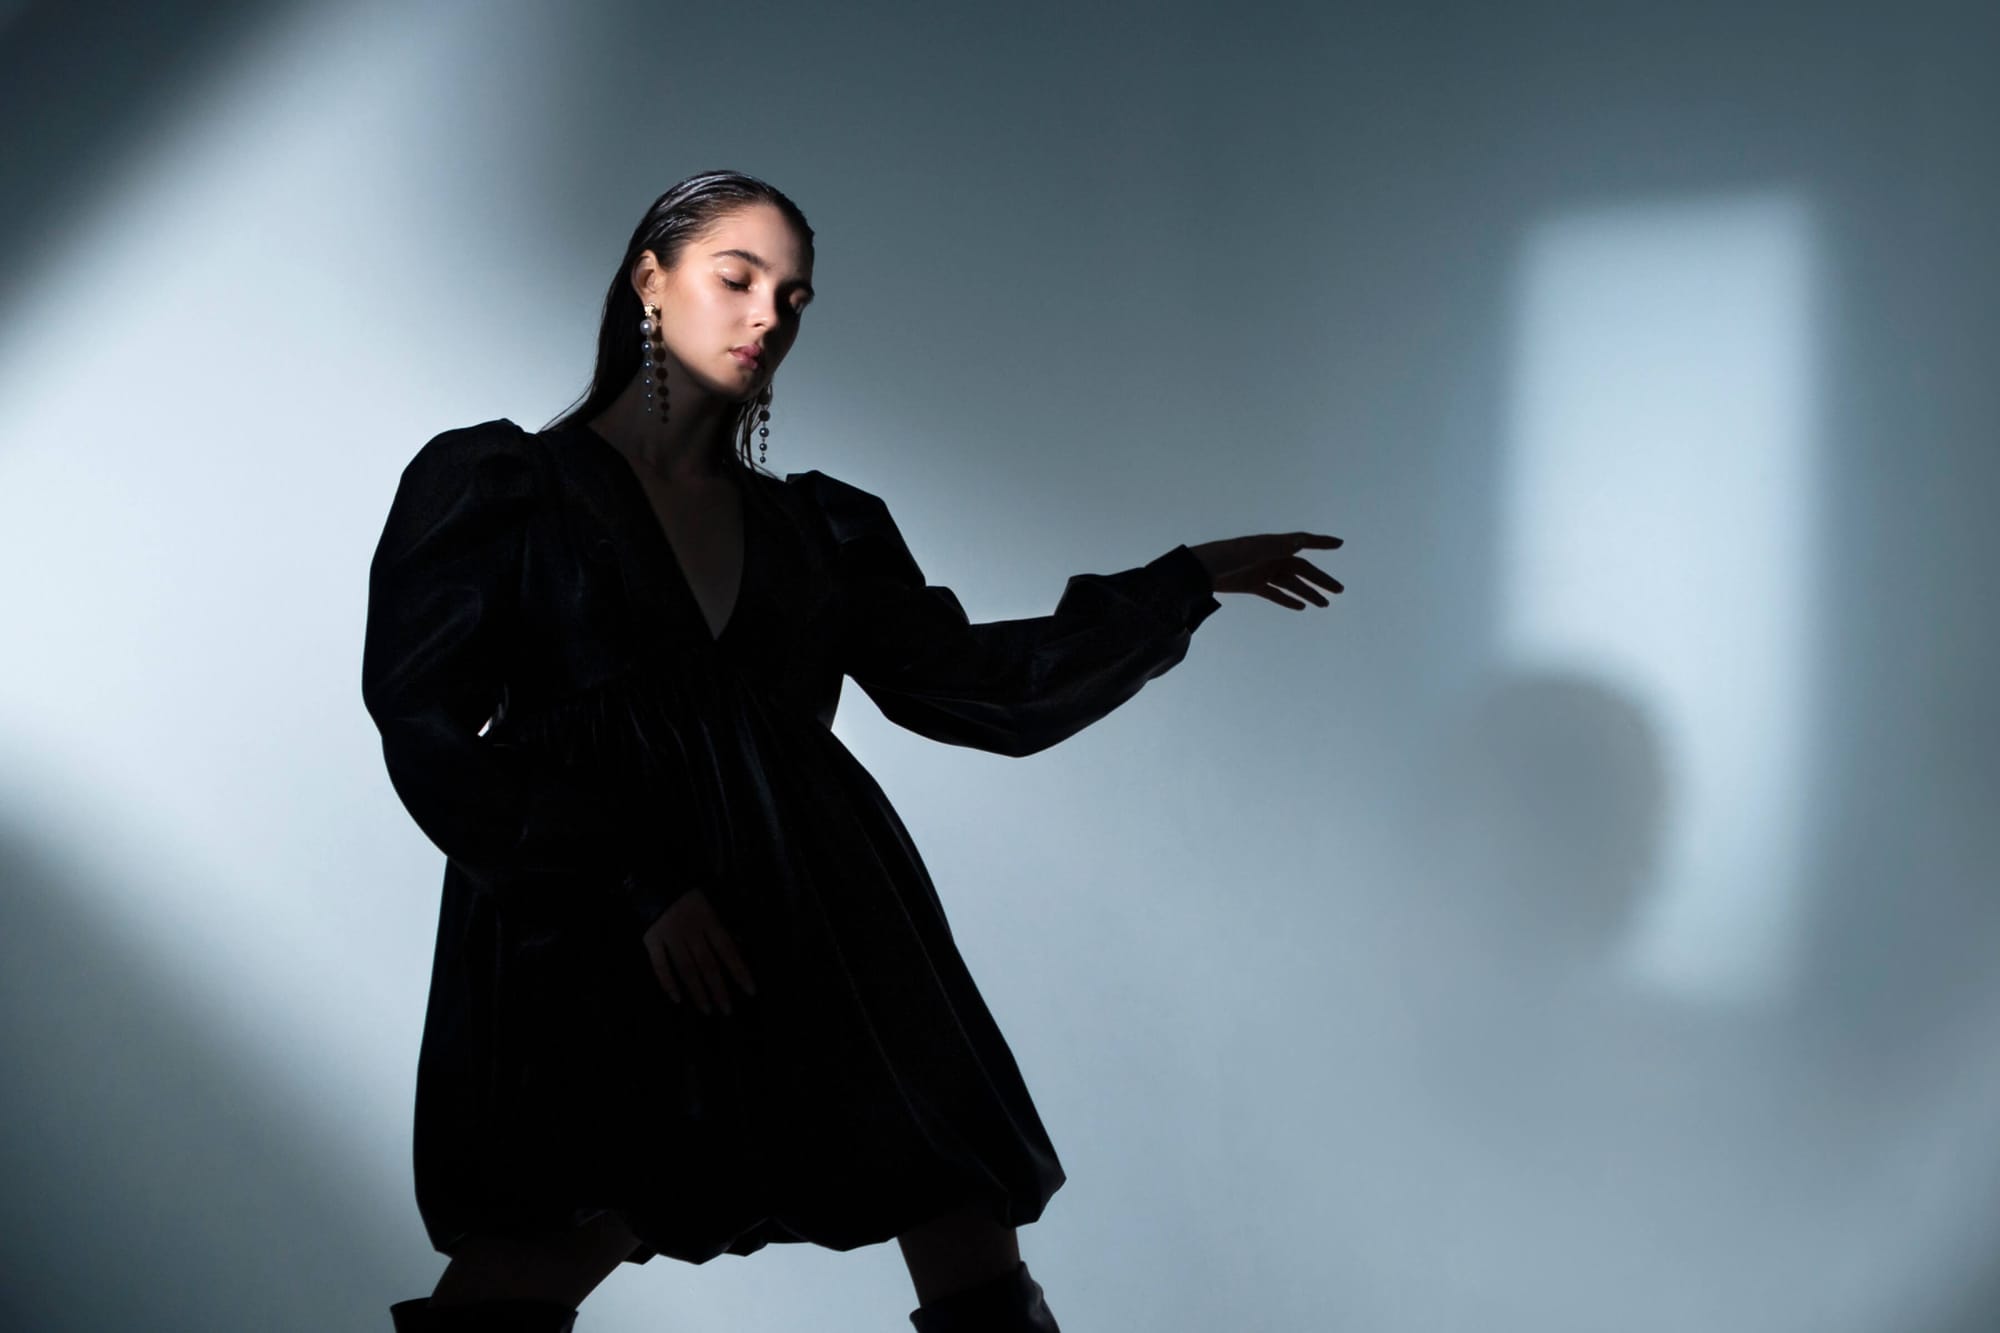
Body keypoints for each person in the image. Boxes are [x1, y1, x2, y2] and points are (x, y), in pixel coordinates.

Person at [361, 169, 1342, 1333]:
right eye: (736, 278)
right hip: (598, 926)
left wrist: (1181, 581)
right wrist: (633, 884)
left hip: (811, 912)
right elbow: (423, 723)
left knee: (954, 1207)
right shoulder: (502, 488)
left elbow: (976, 688)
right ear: (647, 279)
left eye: (795, 297)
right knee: (545, 1246)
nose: (768, 316)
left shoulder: (814, 527)